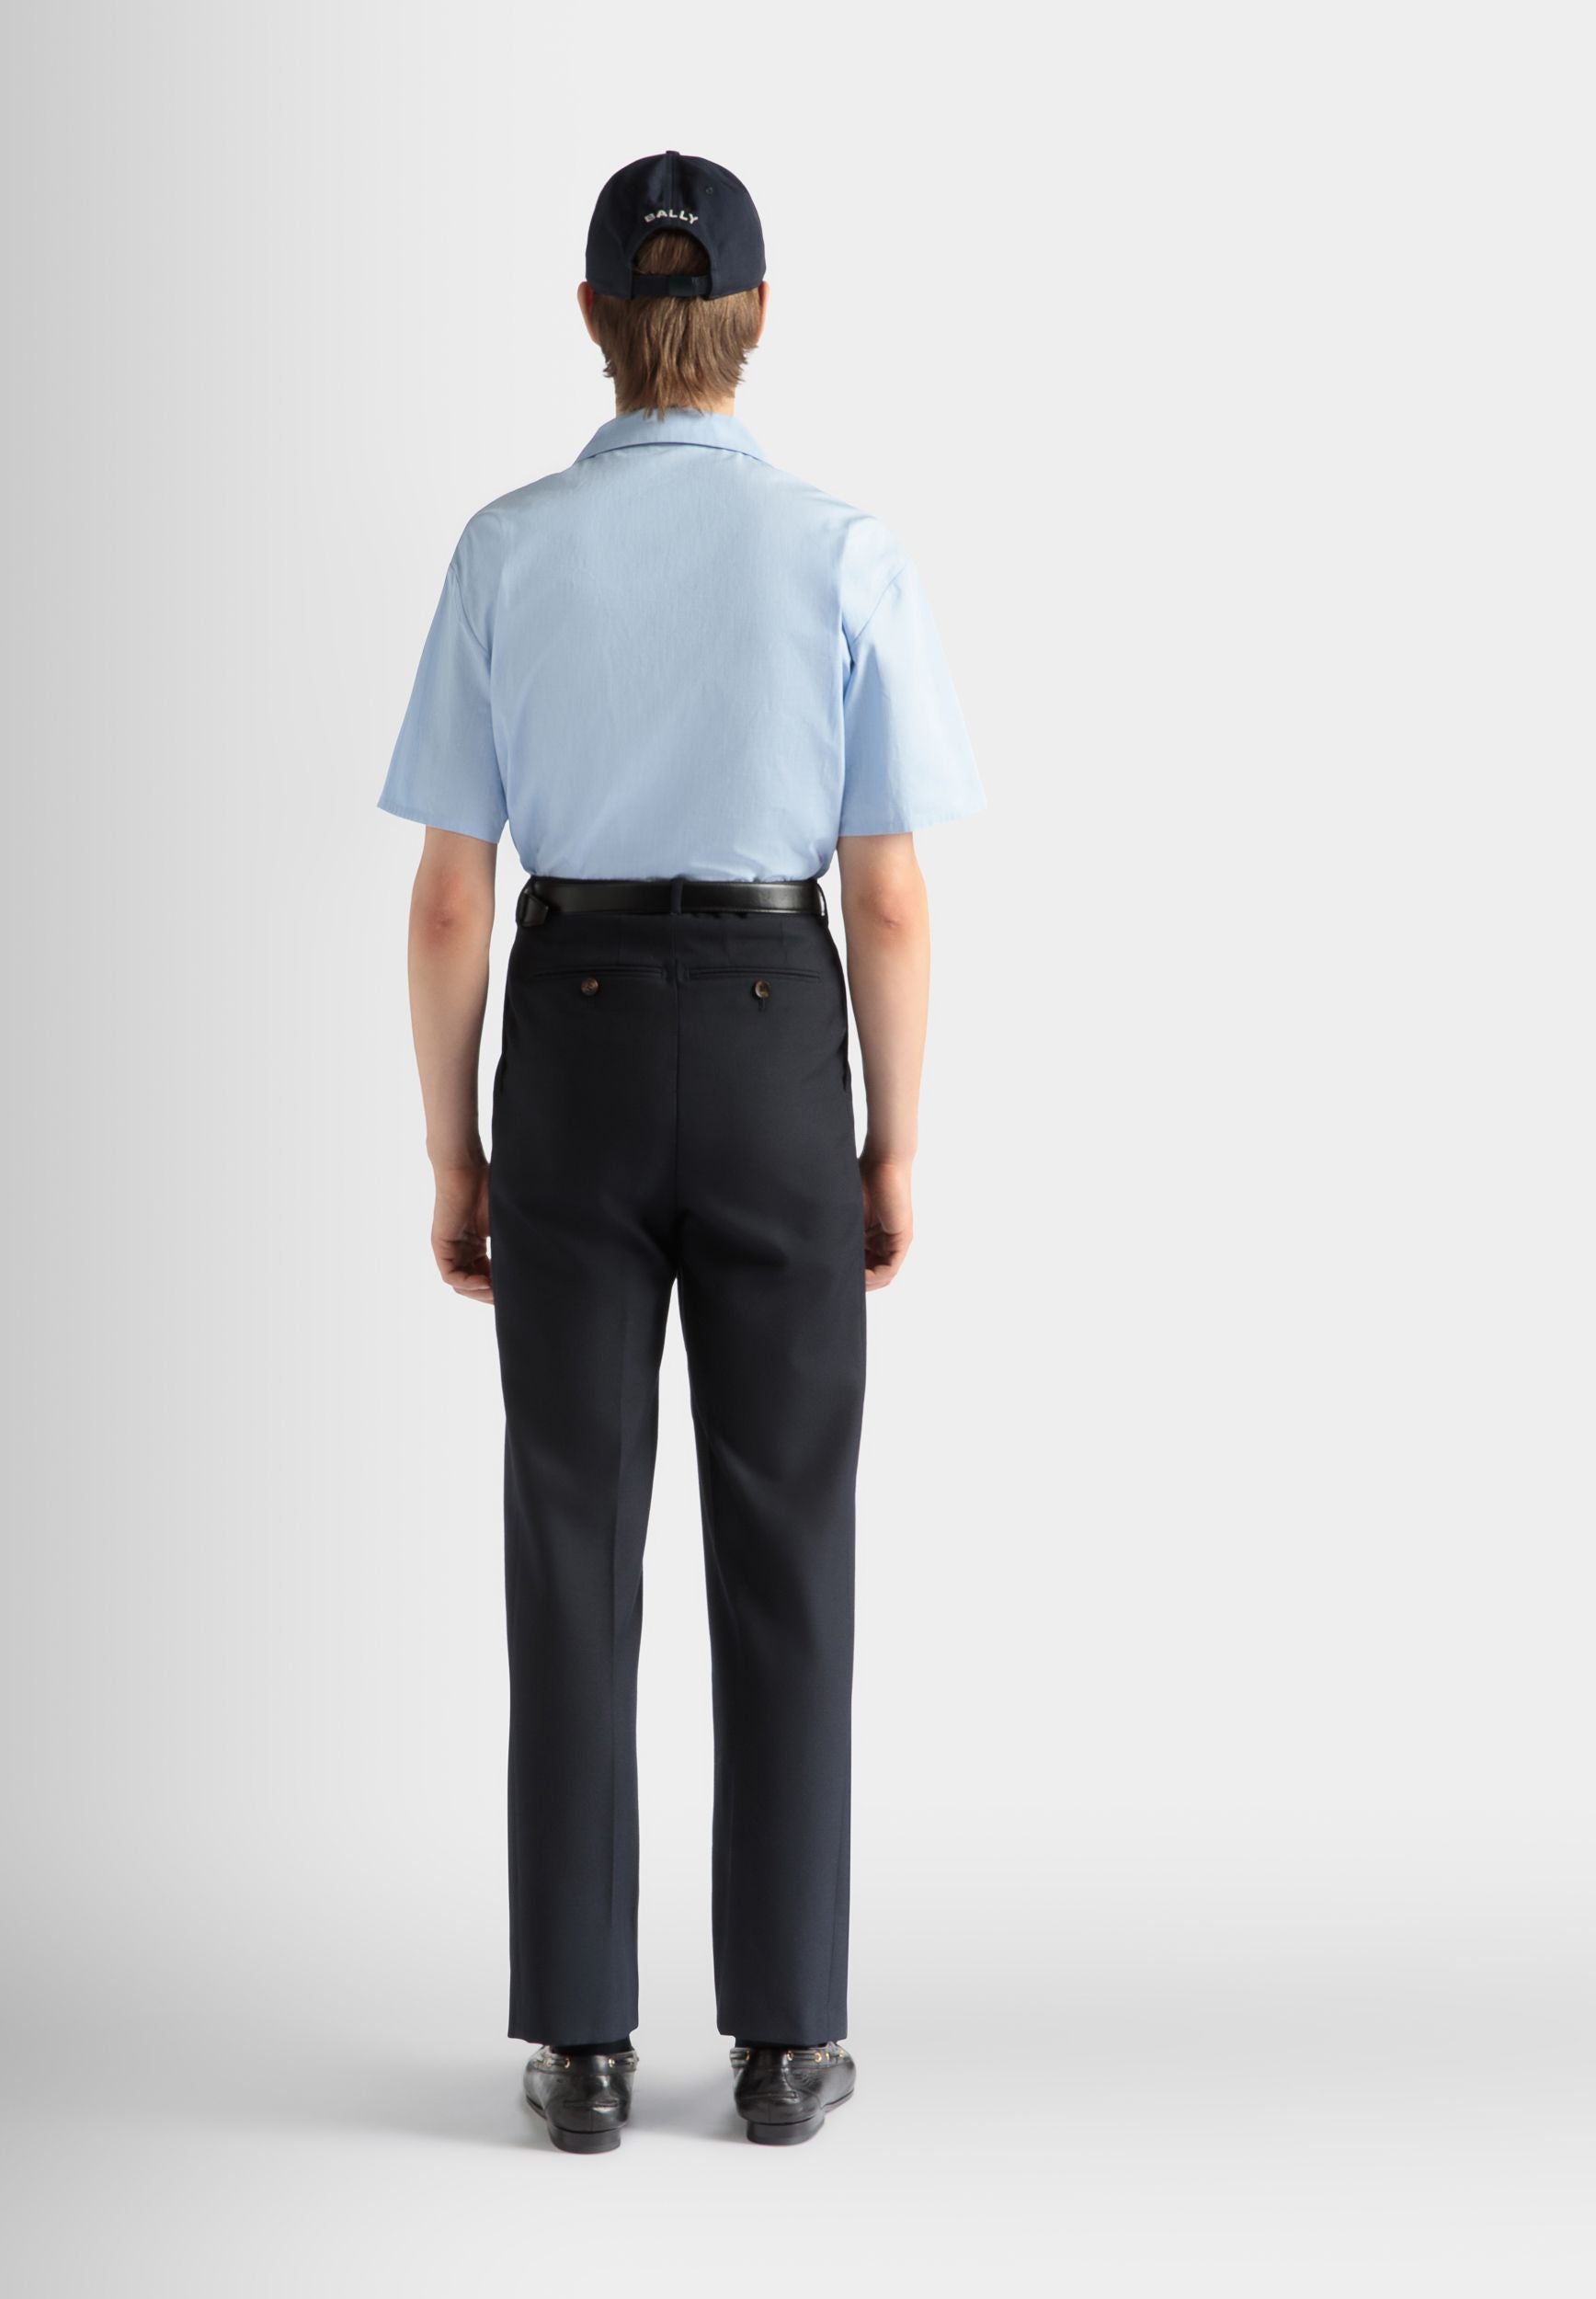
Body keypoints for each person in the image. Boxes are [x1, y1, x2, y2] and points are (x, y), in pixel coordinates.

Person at [380, 150, 983, 2152]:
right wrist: (890, 1143)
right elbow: (886, 894)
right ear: (756, 320)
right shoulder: (843, 552)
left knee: (572, 1538)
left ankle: (580, 2046)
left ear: (591, 321)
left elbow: (450, 899)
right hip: (768, 1037)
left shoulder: (503, 549)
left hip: (563, 1035)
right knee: (785, 1539)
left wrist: (455, 1153)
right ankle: (788, 2039)